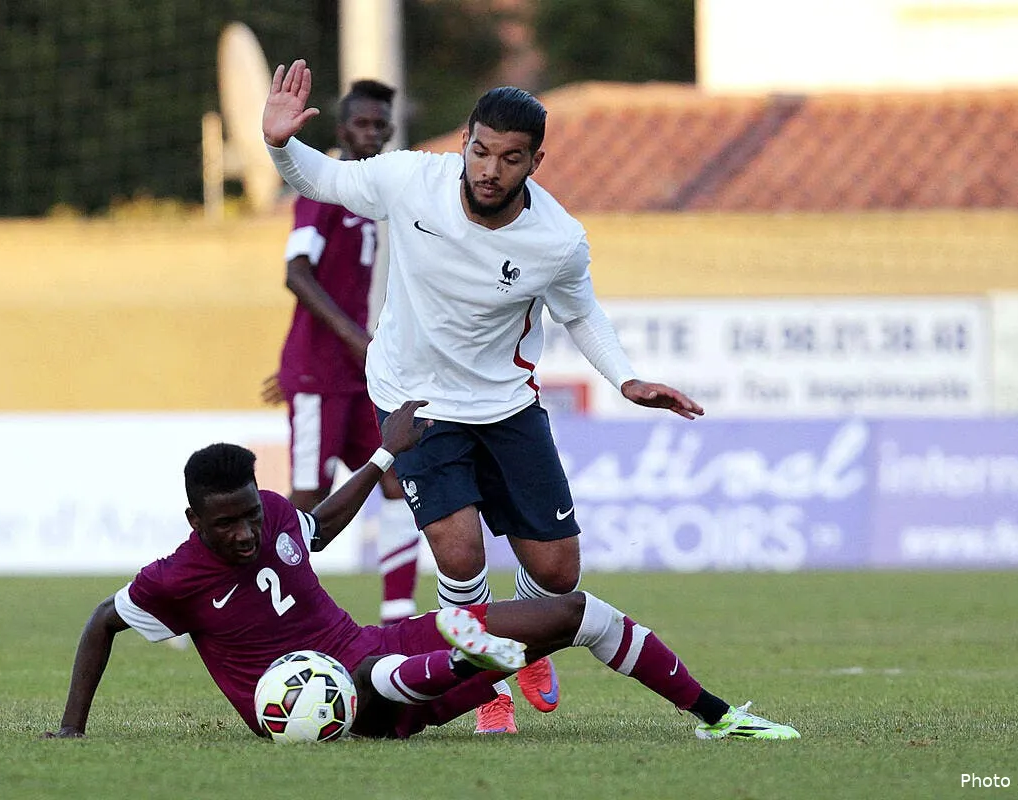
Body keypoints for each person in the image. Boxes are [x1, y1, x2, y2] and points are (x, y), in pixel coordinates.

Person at [260, 59, 706, 734]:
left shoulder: (557, 240)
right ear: (464, 141)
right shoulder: (413, 180)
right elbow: (321, 179)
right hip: (413, 400)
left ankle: (526, 641)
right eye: (480, 150)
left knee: (558, 574)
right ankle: (484, 688)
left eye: (510, 158)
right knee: (459, 552)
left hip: (504, 406)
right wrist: (279, 143)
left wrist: (625, 379)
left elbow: (580, 312)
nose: (489, 169)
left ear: (535, 162)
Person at [43, 416, 799, 742]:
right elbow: (99, 622)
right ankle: (484, 662)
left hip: (375, 650)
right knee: (374, 677)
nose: (243, 533)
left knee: (575, 612)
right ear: (193, 521)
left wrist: (381, 457)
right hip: (314, 700)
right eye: (225, 526)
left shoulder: (272, 515)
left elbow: (319, 528)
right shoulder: (172, 580)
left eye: (246, 515)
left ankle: (723, 717)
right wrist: (73, 729)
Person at [262, 78, 420, 626]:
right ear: (341, 129)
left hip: (357, 375)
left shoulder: (377, 194)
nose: (372, 133)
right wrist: (355, 341)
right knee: (308, 497)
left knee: (401, 479)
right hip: (323, 371)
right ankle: (245, 601)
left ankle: (399, 616)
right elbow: (295, 273)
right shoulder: (322, 188)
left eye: (381, 125)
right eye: (362, 124)